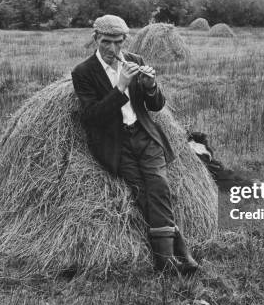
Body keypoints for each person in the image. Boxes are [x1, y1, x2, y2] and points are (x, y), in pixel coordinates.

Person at [71, 14, 199, 275]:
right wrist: (120, 87)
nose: (112, 49)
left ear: (124, 40)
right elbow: (91, 117)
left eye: (118, 42)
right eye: (106, 42)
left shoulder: (135, 61)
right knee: (141, 191)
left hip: (144, 135)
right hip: (115, 142)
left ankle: (168, 256)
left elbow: (155, 106)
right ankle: (172, 251)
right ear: (95, 38)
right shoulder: (83, 72)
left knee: (159, 185)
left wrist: (151, 86)